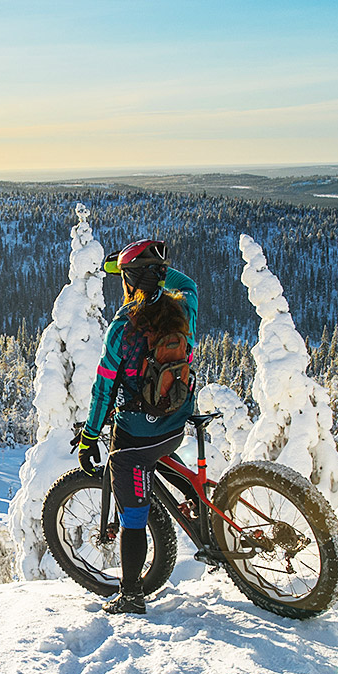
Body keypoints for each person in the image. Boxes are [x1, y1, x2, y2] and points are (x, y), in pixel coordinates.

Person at [75, 238, 197, 614]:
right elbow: (189, 284)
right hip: (177, 424)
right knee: (157, 452)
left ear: (128, 282)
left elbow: (103, 389)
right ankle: (194, 497)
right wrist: (157, 274)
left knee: (133, 520)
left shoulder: (122, 330)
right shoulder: (183, 308)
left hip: (136, 438)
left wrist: (89, 437)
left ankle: (130, 596)